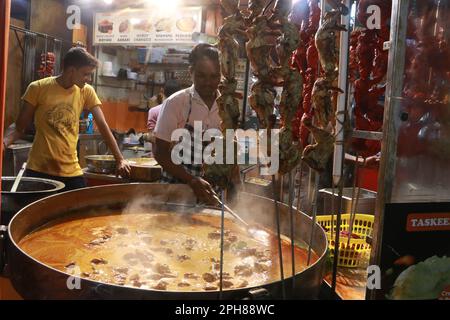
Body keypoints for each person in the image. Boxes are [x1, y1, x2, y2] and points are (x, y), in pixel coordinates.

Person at [3, 47, 130, 192]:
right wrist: (3, 143)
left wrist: (120, 159)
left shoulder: (86, 91)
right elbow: (19, 127)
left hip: (71, 171)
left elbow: (102, 125)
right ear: (71, 71)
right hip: (39, 169)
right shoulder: (38, 88)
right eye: (85, 74)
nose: (89, 79)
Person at [153, 44, 221, 204]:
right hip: (176, 191)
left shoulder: (227, 105)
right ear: (191, 72)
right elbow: (160, 152)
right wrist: (192, 180)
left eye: (214, 76)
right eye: (201, 76)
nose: (208, 82)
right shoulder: (176, 102)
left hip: (210, 193)